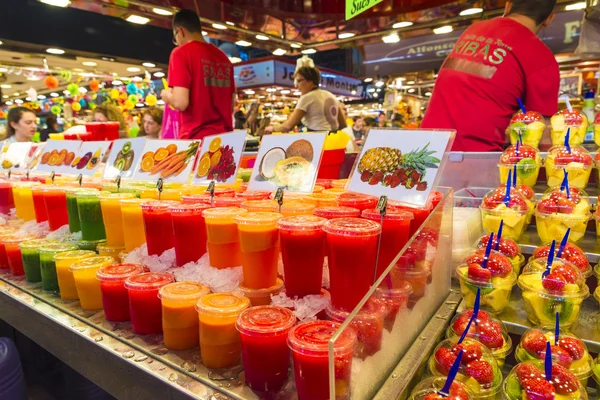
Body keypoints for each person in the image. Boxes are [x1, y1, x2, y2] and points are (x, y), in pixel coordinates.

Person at [421, 0, 559, 151]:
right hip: (475, 160)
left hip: (425, 150)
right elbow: (542, 133)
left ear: (508, 6)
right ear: (549, 19)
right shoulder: (541, 57)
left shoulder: (474, 29)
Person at [161, 9, 235, 140]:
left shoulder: (181, 53)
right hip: (226, 139)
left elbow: (180, 102)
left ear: (180, 31)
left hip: (197, 141)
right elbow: (231, 105)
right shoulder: (223, 58)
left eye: (175, 38)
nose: (177, 42)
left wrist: (166, 95)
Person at [266, 66, 347, 133]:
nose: (296, 86)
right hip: (334, 140)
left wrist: (272, 128)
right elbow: (343, 125)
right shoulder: (331, 95)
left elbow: (288, 126)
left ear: (310, 81)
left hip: (316, 140)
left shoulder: (306, 97)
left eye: (299, 81)